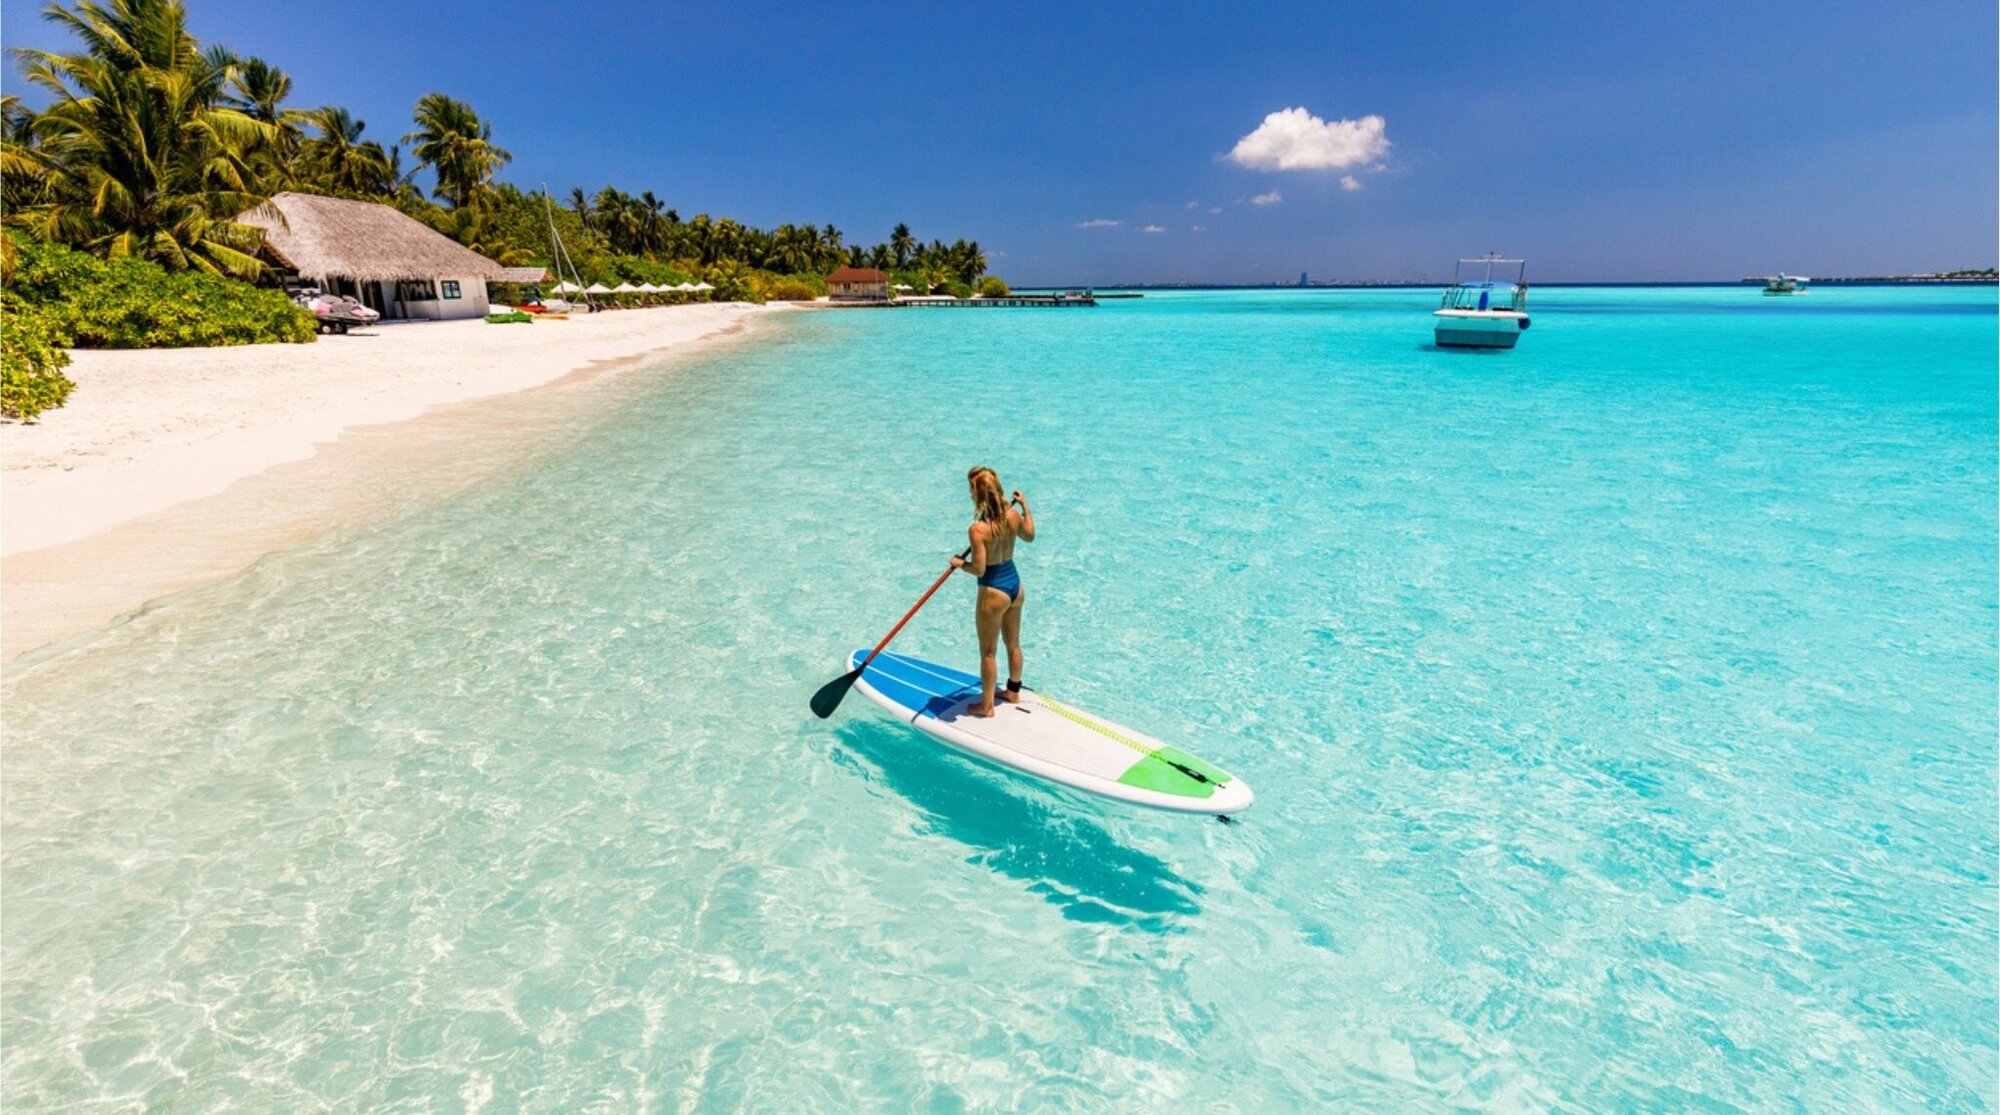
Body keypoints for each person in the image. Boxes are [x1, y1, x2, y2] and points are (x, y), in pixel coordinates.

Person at [950, 466, 1035, 717]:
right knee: (1014, 643)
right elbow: (1029, 536)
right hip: (1015, 586)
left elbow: (978, 569)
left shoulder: (978, 529)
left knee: (988, 652)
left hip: (994, 590)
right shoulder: (1012, 516)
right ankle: (1013, 691)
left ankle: (986, 707)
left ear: (977, 495)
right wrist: (1025, 507)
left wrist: (959, 564)